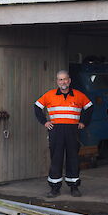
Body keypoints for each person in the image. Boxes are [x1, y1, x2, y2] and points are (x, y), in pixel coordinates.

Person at [34, 70, 93, 198]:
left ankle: (74, 187)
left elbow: (89, 107)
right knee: (56, 159)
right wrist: (45, 122)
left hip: (73, 131)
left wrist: (83, 122)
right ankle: (55, 188)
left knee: (73, 158)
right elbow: (37, 106)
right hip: (56, 131)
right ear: (57, 81)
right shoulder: (49, 95)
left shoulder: (79, 95)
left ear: (69, 80)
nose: (63, 82)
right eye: (60, 80)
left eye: (65, 79)